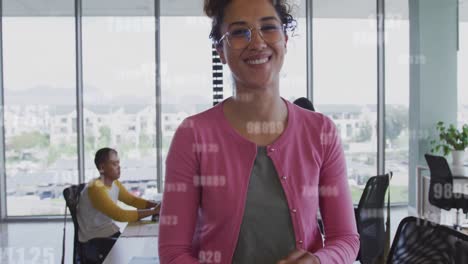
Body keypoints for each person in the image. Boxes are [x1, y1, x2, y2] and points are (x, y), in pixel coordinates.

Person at [158, 0, 359, 263]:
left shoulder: (321, 132)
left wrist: (320, 261)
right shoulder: (193, 135)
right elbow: (173, 253)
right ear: (220, 50)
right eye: (239, 32)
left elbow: (346, 238)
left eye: (269, 28)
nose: (258, 43)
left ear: (285, 39)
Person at [77, 147, 160, 261]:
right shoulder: (95, 187)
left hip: (108, 233)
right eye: (114, 163)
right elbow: (119, 215)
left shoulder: (114, 183)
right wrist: (153, 211)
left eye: (118, 163)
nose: (119, 167)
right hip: (94, 241)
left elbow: (132, 200)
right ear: (102, 167)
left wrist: (157, 204)